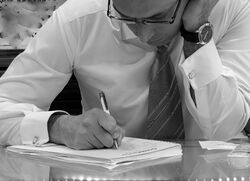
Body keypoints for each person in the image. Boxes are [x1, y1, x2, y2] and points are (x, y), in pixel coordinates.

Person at [0, 0, 250, 150]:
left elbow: (224, 129)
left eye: (159, 17)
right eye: (127, 17)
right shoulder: (80, 18)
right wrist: (60, 127)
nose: (144, 35)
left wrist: (197, 34)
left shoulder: (235, 10)